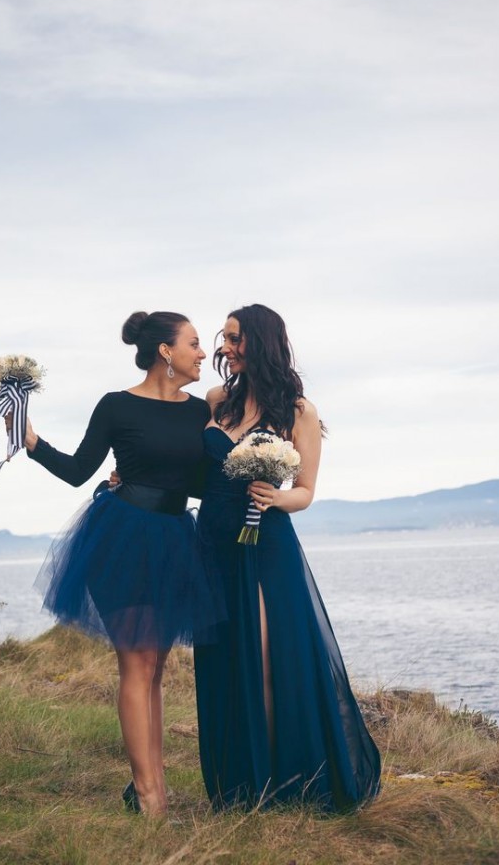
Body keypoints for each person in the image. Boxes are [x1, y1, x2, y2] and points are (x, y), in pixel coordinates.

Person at [23, 311, 223, 817]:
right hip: (123, 538)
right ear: (165, 351)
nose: (202, 354)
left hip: (176, 540)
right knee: (136, 663)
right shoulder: (116, 405)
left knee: (155, 668)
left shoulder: (199, 412)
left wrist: (255, 469)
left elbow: (195, 483)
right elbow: (75, 471)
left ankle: (151, 787)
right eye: (195, 343)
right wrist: (33, 445)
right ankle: (151, 795)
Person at [194, 304, 381, 812]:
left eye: (234, 339)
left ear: (259, 341)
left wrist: (273, 497)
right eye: (224, 339)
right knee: (223, 659)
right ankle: (235, 783)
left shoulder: (300, 411)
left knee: (267, 656)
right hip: (212, 544)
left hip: (267, 543)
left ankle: (280, 781)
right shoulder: (216, 401)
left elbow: (306, 491)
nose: (225, 348)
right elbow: (186, 464)